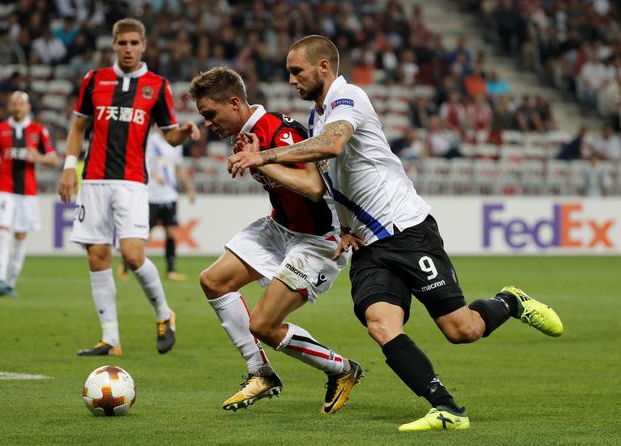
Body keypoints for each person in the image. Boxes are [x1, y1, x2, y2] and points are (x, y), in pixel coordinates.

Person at [229, 35, 564, 432]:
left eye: (296, 71)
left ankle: (510, 302)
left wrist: (264, 155)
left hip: (406, 231)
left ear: (324, 68)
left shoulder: (348, 98)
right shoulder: (318, 119)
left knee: (462, 330)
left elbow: (334, 147)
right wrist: (343, 226)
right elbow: (324, 184)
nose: (291, 80)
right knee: (381, 325)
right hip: (368, 245)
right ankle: (447, 409)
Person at [189, 67, 362, 413]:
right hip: (280, 228)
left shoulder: (278, 131)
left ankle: (342, 369)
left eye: (211, 114)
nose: (208, 123)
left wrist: (261, 160)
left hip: (317, 239)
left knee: (264, 325)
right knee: (214, 281)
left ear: (235, 103)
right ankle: (260, 372)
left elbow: (313, 188)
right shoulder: (250, 134)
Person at [57, 18, 200, 357]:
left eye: (134, 43)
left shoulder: (157, 85)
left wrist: (185, 132)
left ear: (144, 45)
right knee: (97, 256)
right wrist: (68, 168)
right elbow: (78, 127)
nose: (128, 49)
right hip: (93, 179)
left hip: (132, 181)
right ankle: (110, 338)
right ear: (114, 45)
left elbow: (169, 133)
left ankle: (164, 313)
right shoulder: (94, 80)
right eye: (123, 43)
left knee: (134, 256)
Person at [0, 91, 57, 297]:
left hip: (27, 193)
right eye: (13, 103)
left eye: (21, 103)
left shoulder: (38, 130)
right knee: (2, 232)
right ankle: (0, 279)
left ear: (28, 107)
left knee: (20, 236)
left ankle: (10, 283)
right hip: (4, 189)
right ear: (9, 107)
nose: (17, 106)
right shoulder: (0, 129)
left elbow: (53, 159)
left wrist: (38, 158)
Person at [117, 127, 197, 282]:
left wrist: (189, 189)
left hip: (170, 194)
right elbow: (143, 161)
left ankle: (171, 270)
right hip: (152, 194)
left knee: (171, 232)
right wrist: (154, 175)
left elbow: (178, 168)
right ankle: (125, 264)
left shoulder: (176, 144)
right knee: (143, 233)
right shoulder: (151, 141)